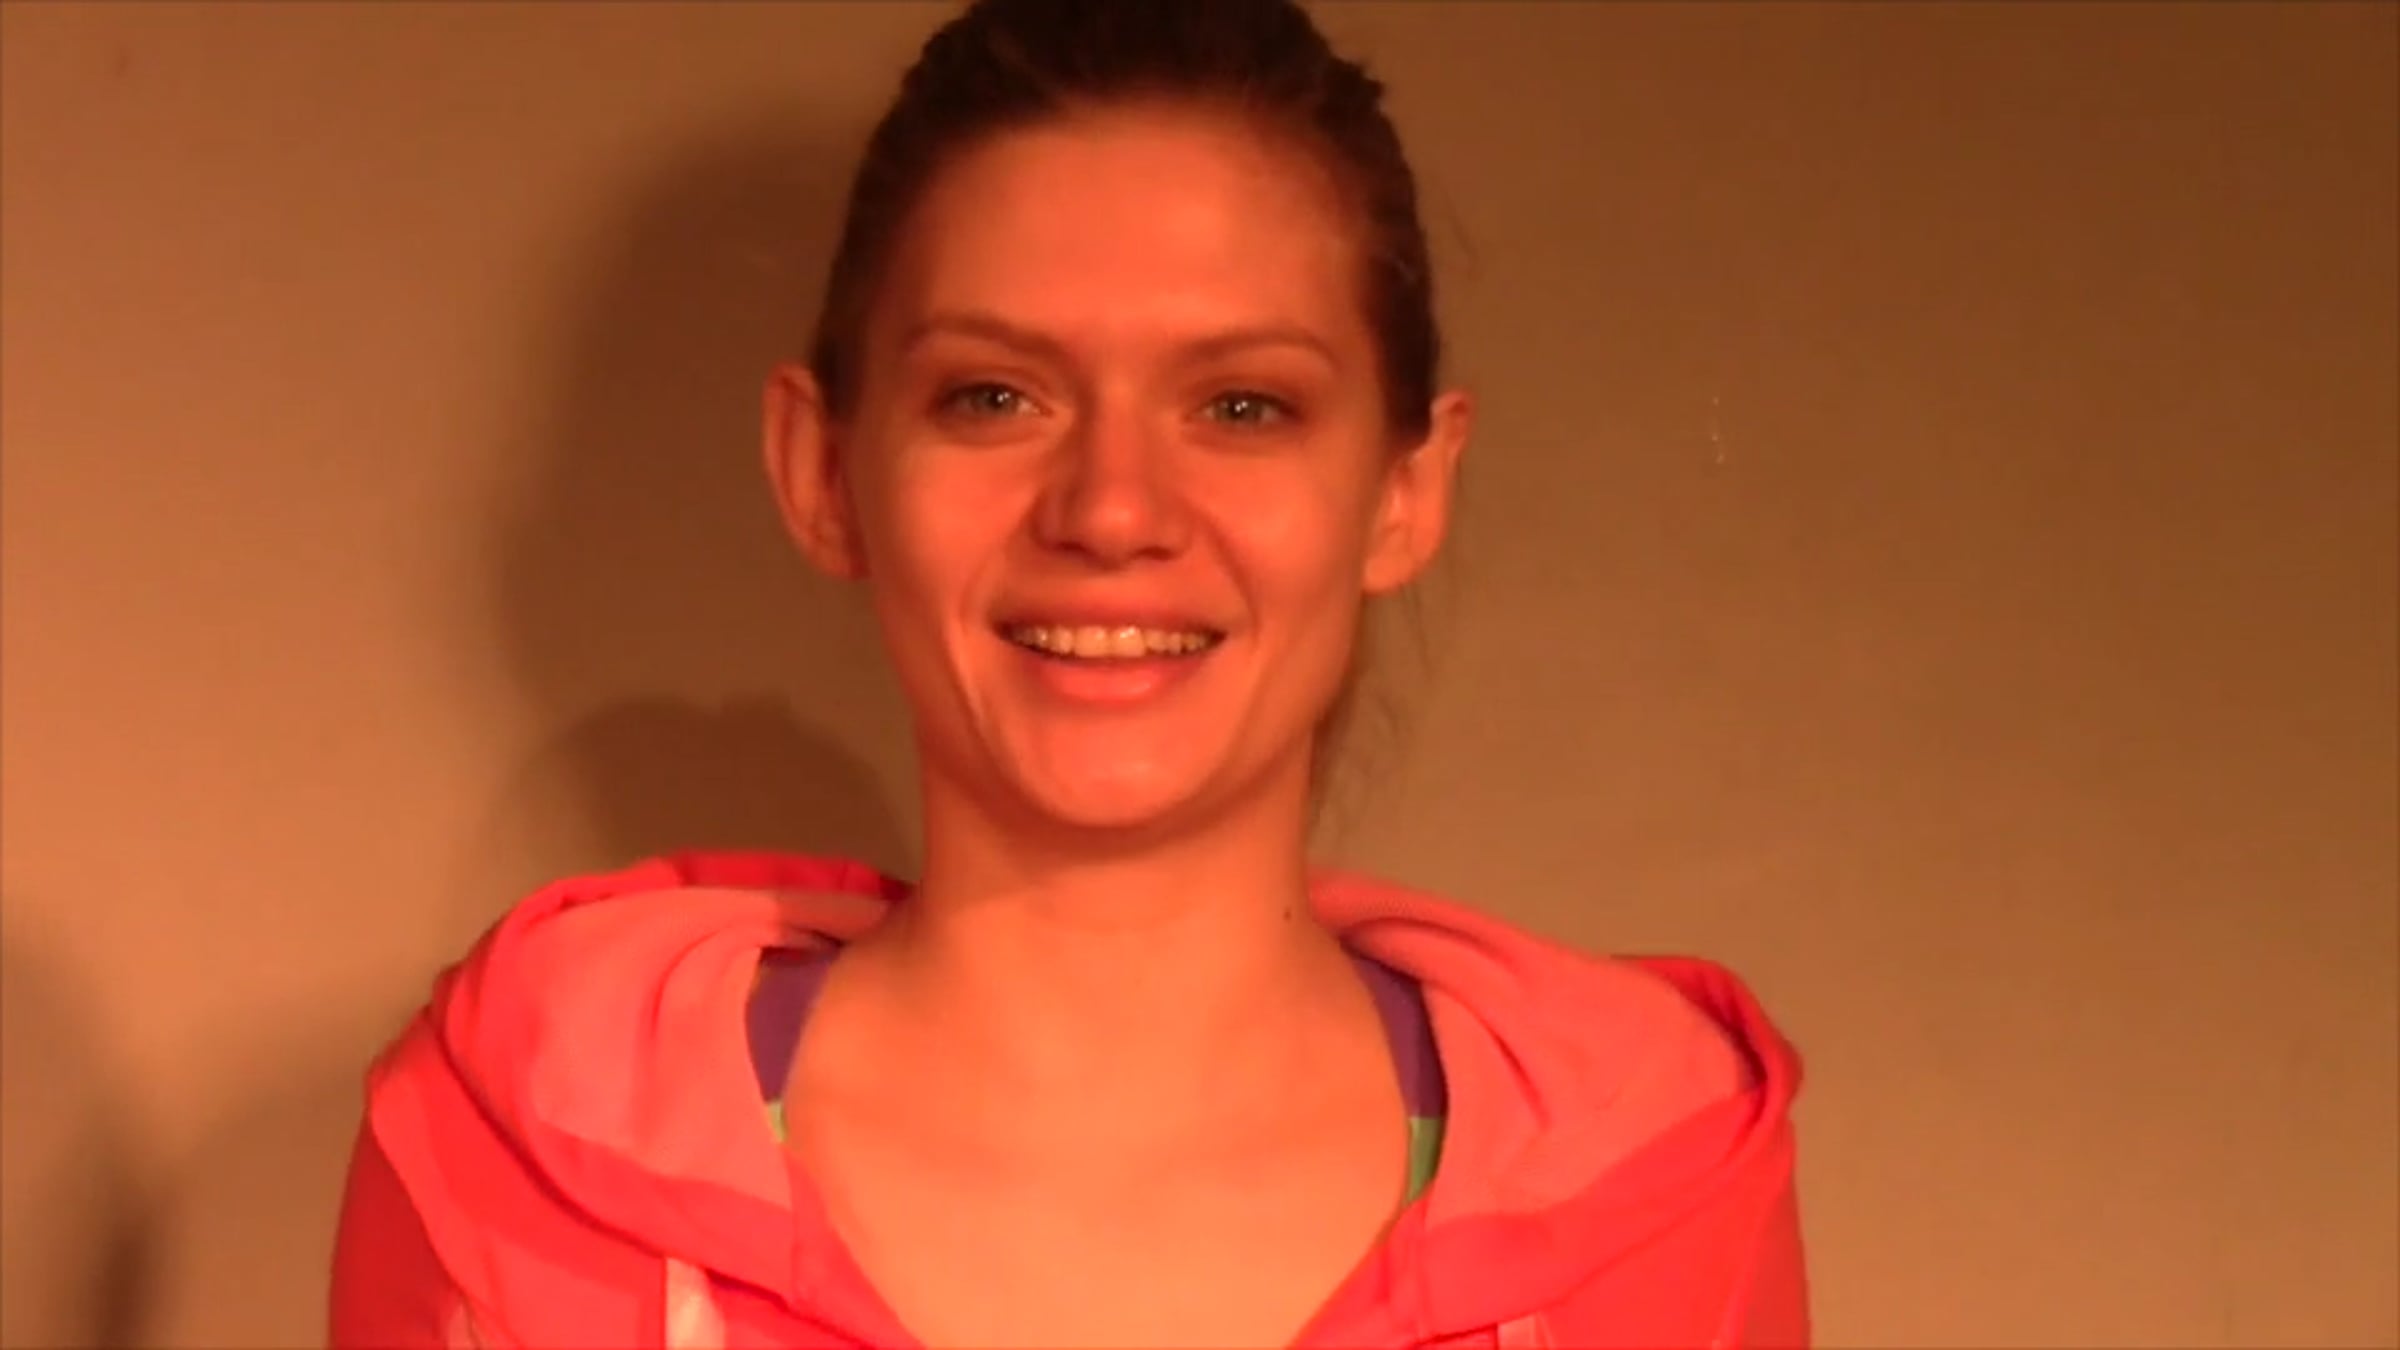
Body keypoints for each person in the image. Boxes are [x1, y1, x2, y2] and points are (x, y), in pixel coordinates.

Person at [328, 0, 1810, 1345]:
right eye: (994, 396)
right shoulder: (495, 1168)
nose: (1111, 509)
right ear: (824, 471)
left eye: (1242, 405)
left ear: (1406, 492)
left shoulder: (1659, 1202)